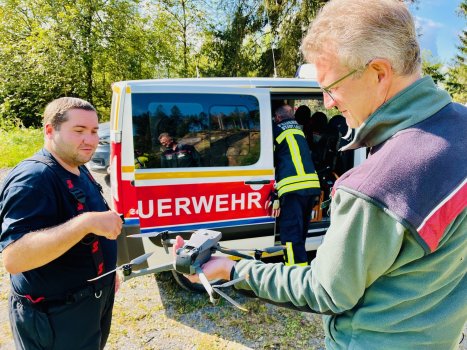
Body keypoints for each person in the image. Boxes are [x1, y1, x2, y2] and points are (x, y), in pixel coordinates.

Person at [174, 0, 467, 348]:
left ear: (379, 72)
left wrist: (233, 269)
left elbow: (326, 291)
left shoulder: (378, 186)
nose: (327, 102)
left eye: (331, 86)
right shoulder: (460, 127)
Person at [0, 97, 123, 349]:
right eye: (79, 131)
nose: (90, 140)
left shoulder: (78, 166)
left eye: (94, 131)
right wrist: (85, 223)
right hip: (55, 317)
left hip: (90, 303)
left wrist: (106, 273)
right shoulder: (34, 178)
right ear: (49, 130)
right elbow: (14, 258)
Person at [268, 104, 321, 266]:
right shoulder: (299, 130)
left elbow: (270, 161)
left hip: (292, 188)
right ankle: (301, 266)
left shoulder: (275, 130)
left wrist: (274, 194)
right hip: (312, 186)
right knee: (300, 232)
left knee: (290, 233)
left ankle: (295, 272)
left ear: (277, 118)